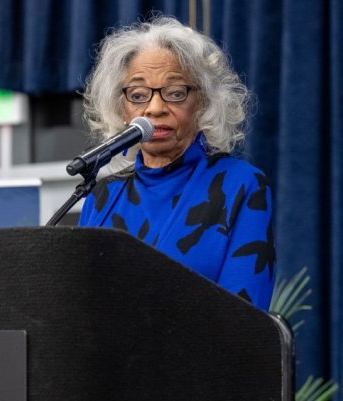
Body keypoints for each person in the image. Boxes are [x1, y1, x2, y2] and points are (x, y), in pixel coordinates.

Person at [78, 16, 275, 311]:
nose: (155, 108)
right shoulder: (102, 197)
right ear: (122, 109)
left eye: (175, 93)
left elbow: (246, 323)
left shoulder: (241, 186)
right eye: (138, 95)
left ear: (203, 104)